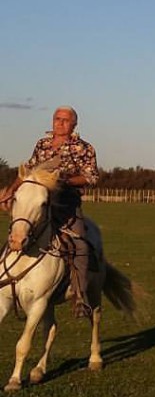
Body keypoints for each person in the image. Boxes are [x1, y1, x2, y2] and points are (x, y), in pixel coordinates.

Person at [0, 107, 100, 317]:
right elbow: (28, 170)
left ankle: (81, 296)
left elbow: (91, 177)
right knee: (18, 231)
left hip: (66, 204)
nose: (60, 123)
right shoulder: (42, 144)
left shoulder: (84, 148)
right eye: (57, 119)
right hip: (38, 202)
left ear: (74, 124)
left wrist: (64, 180)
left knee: (80, 243)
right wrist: (11, 190)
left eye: (66, 120)